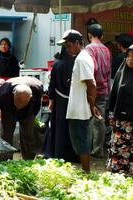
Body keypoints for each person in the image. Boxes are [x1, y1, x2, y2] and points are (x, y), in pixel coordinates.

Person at [61, 30, 100, 173]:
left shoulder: (82, 59)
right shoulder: (82, 57)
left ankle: (86, 172)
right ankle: (85, 172)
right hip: (79, 109)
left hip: (80, 110)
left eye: (68, 45)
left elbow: (91, 84)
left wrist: (92, 105)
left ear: (77, 43)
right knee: (80, 142)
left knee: (82, 142)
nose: (67, 48)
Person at [0, 76, 43, 160]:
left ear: (31, 97)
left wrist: (31, 117)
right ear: (13, 93)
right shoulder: (2, 94)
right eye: (17, 103)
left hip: (28, 112)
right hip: (8, 109)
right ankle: (5, 161)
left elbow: (36, 107)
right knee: (6, 136)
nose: (19, 107)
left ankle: (29, 161)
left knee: (28, 135)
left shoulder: (37, 88)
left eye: (22, 104)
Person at [44, 45, 79, 162]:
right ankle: (72, 155)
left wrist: (51, 100)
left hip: (59, 101)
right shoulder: (77, 64)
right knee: (72, 126)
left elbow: (52, 85)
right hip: (74, 100)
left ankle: (58, 153)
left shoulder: (57, 64)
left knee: (59, 126)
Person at [85, 24, 112, 158]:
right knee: (100, 120)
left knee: (89, 118)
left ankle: (87, 149)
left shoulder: (89, 49)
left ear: (89, 34)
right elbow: (108, 72)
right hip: (104, 90)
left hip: (92, 89)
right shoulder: (107, 50)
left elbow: (91, 71)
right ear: (102, 36)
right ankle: (98, 150)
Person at [107, 45, 133, 175]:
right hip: (120, 120)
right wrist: (111, 114)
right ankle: (118, 171)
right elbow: (113, 96)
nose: (130, 59)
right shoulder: (120, 73)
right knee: (119, 145)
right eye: (128, 56)